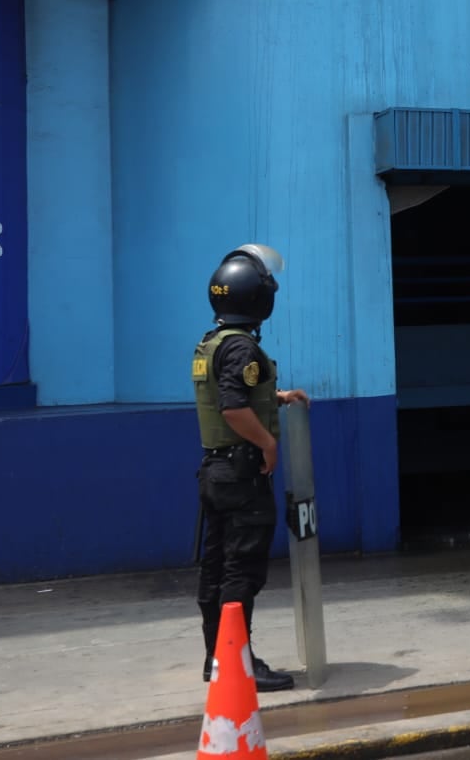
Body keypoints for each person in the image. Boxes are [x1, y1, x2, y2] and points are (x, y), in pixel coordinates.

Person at [192, 243, 309, 691]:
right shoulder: (242, 348)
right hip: (242, 476)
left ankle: (216, 660)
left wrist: (276, 399)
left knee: (217, 568)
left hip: (216, 473)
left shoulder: (212, 343)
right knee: (242, 571)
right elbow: (233, 408)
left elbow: (232, 395)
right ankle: (238, 662)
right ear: (256, 300)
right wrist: (268, 444)